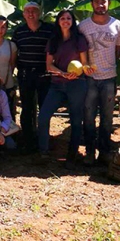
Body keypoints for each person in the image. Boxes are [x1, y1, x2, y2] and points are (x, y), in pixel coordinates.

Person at [78, 0, 120, 166]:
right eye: (97, 1)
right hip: (89, 78)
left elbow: (118, 51)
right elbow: (80, 50)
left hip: (109, 77)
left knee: (107, 118)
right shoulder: (83, 26)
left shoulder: (118, 26)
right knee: (88, 116)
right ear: (92, 3)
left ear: (108, 3)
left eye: (103, 1)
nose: (100, 4)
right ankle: (90, 152)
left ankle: (104, 151)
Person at [37, 10, 89, 169]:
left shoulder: (79, 40)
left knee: (75, 120)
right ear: (58, 21)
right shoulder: (53, 41)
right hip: (57, 84)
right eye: (62, 18)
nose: (66, 21)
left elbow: (84, 63)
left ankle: (71, 156)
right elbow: (48, 65)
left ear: (73, 21)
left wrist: (79, 72)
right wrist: (62, 73)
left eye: (68, 18)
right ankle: (43, 152)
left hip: (77, 84)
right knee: (43, 116)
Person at [12, 2, 54, 152]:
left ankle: (43, 140)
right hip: (26, 74)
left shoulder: (50, 30)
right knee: (27, 108)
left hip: (45, 74)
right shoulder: (19, 32)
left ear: (40, 13)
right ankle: (28, 140)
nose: (31, 14)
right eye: (27, 11)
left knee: (44, 108)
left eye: (34, 11)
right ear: (23, 14)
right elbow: (14, 53)